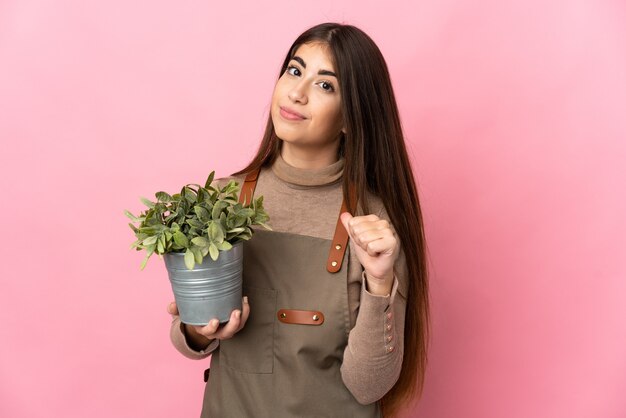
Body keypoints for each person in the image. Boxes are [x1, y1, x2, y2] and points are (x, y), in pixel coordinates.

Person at [167, 22, 430, 417]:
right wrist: (195, 330)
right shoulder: (220, 202)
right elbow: (186, 332)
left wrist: (380, 282)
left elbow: (370, 386)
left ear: (350, 119)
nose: (297, 92)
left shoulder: (374, 226)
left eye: (326, 85)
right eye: (294, 70)